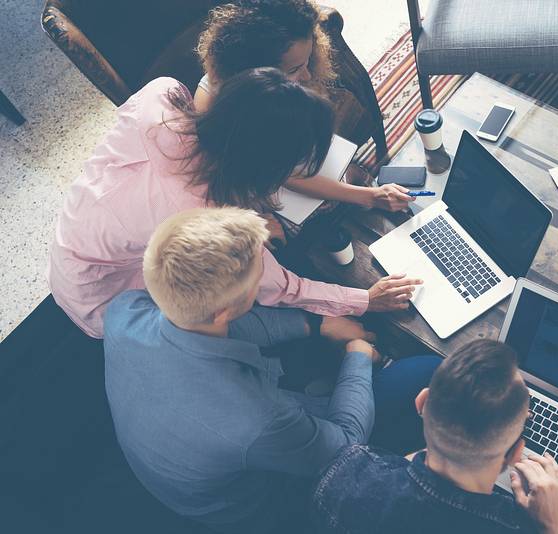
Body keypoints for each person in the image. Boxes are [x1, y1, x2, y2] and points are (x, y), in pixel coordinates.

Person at [103, 206, 440, 534]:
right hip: (262, 506)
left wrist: (316, 323)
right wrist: (358, 354)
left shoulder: (122, 310)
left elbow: (222, 324)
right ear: (225, 309)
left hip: (186, 446)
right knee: (427, 369)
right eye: (258, 277)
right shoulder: (257, 419)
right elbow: (347, 444)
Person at [48, 67, 420, 339]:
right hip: (106, 301)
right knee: (233, 303)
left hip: (72, 240)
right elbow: (280, 287)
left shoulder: (163, 93)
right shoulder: (209, 221)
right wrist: (366, 299)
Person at [311, 339, 558, 534]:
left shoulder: (347, 469)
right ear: (515, 456)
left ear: (422, 402)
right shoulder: (520, 525)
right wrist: (556, 527)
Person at [195, 0, 413, 220]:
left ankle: (344, 176)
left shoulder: (276, 89)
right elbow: (285, 174)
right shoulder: (220, 110)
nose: (308, 76)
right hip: (264, 177)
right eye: (295, 69)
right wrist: (369, 196)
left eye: (308, 60)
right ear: (257, 72)